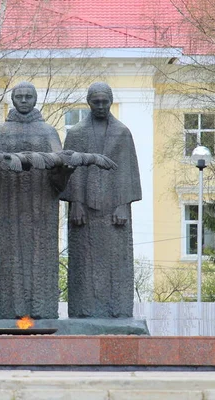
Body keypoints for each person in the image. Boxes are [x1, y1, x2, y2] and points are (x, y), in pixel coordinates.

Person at [0, 82, 69, 319]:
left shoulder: (48, 132)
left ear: (35, 99)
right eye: (19, 96)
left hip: (42, 207)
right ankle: (10, 312)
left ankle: (43, 310)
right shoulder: (0, 133)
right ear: (13, 99)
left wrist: (64, 169)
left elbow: (59, 169)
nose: (24, 100)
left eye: (29, 96)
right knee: (11, 258)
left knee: (42, 256)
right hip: (9, 206)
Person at [60, 82, 142, 318]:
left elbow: (128, 170)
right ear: (88, 102)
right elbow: (70, 170)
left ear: (111, 101)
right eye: (96, 102)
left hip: (114, 211)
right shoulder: (76, 133)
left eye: (105, 101)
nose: (101, 106)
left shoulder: (122, 132)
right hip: (84, 211)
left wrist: (123, 205)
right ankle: (83, 313)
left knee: (116, 263)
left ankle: (117, 311)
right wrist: (75, 202)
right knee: (85, 263)